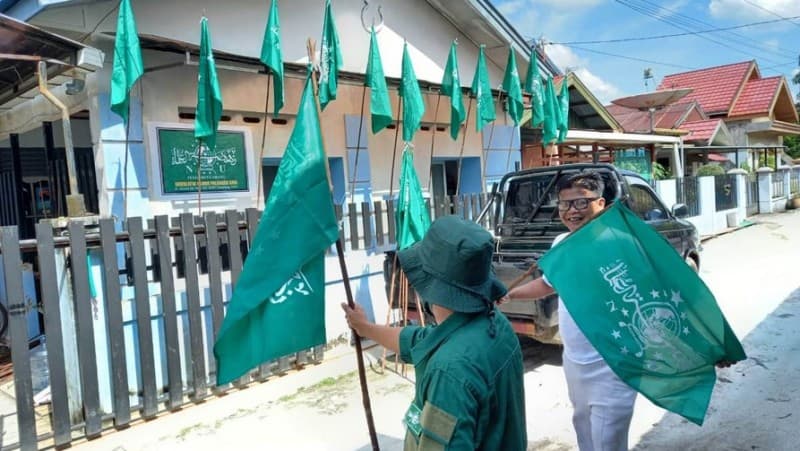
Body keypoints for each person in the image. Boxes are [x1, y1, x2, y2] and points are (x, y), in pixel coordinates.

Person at [503, 170, 733, 451]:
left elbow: (669, 299)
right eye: (565, 204)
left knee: (608, 439)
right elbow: (548, 284)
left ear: (602, 204)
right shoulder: (562, 245)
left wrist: (710, 343)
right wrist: (511, 294)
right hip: (575, 362)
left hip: (614, 361)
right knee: (584, 429)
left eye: (581, 202)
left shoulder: (623, 244)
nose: (572, 211)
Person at [342, 215, 527, 450]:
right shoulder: (492, 323)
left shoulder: (450, 371)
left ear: (430, 287)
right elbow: (417, 341)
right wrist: (364, 327)